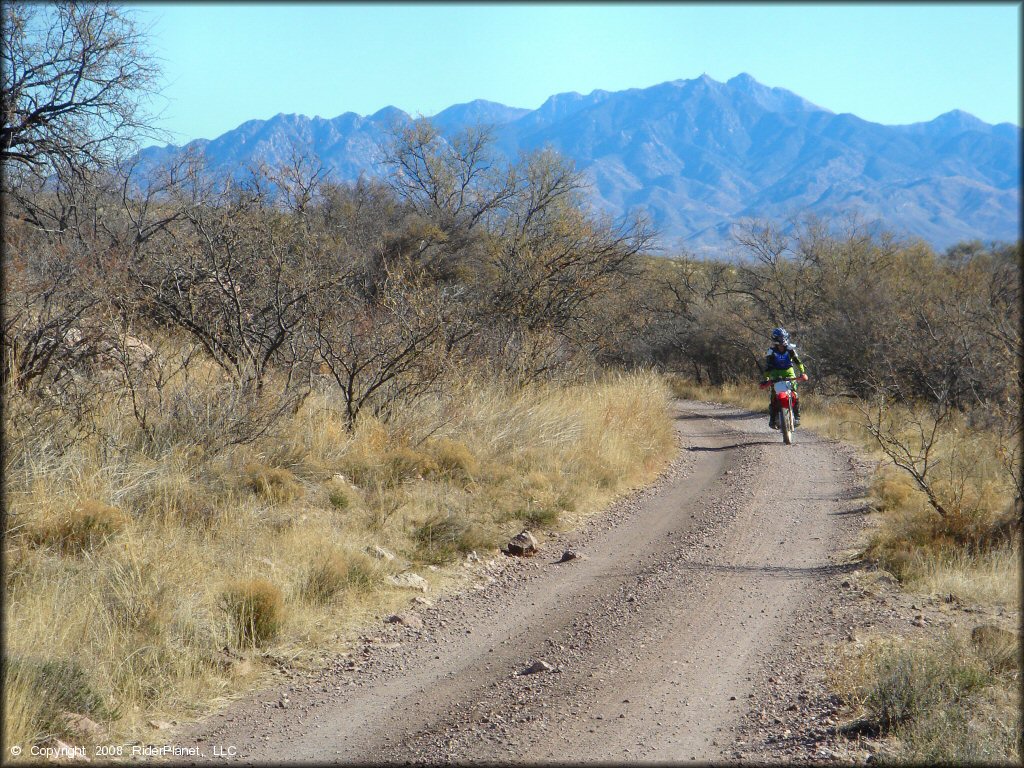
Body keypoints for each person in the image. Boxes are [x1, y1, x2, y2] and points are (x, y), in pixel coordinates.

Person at [759, 327, 808, 429]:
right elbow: (768, 367)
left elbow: (798, 361)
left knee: (794, 393)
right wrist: (766, 378)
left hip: (789, 374)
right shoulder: (771, 352)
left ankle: (797, 416)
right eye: (779, 338)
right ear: (775, 339)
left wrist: (802, 372)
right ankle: (773, 419)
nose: (781, 341)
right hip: (775, 375)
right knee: (773, 396)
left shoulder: (790, 350)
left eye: (783, 337)